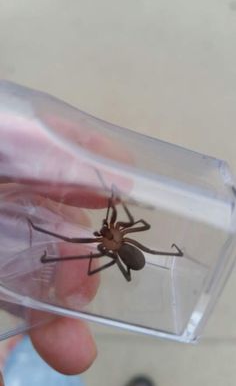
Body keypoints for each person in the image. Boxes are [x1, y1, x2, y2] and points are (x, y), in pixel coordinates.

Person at [0, 81, 155, 386]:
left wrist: (110, 241)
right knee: (74, 241)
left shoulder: (110, 241)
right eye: (110, 231)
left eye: (111, 232)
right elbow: (100, 242)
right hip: (123, 249)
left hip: (125, 251)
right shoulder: (112, 237)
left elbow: (113, 254)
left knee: (76, 241)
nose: (107, 230)